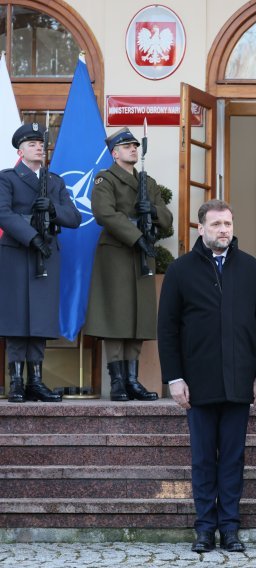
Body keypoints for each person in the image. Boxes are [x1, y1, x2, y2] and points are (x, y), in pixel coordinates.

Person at [157, 199, 256, 554]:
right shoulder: (181, 270)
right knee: (203, 459)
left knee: (233, 459)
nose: (224, 229)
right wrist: (174, 378)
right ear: (201, 228)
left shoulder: (251, 269)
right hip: (199, 383)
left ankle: (230, 529)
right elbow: (168, 329)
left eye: (228, 223)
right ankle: (205, 529)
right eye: (216, 224)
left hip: (240, 383)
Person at [83, 127, 173, 401]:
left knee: (139, 316)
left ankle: (133, 380)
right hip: (118, 252)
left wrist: (153, 211)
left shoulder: (149, 182)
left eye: (135, 145)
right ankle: (118, 381)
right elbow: (103, 213)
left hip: (142, 252)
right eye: (127, 146)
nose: (133, 149)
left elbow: (167, 219)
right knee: (116, 315)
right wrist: (136, 237)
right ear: (115, 153)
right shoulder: (105, 179)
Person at [0, 122, 80, 403]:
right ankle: (16, 382)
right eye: (32, 144)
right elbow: (3, 214)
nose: (38, 148)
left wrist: (53, 209)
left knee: (40, 320)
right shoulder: (7, 178)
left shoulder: (54, 181)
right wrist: (31, 237)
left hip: (45, 252)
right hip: (17, 253)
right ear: (20, 150)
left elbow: (73, 217)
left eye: (40, 143)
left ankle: (36, 381)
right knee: (16, 319)